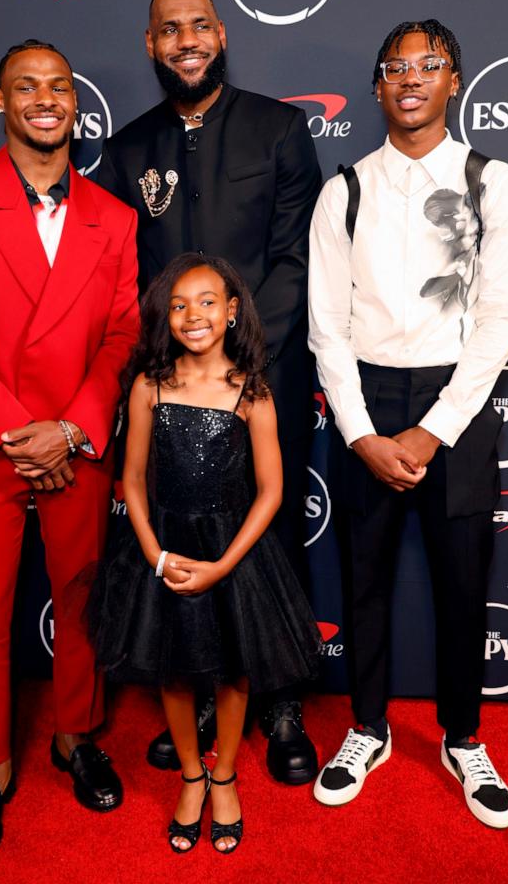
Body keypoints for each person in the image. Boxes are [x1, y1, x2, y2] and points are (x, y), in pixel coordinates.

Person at [0, 39, 139, 864]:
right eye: (26, 87)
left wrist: (72, 428)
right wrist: (20, 435)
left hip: (76, 443)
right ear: (1, 102)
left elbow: (122, 332)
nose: (45, 99)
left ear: (73, 105)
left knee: (81, 603)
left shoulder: (112, 217)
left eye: (58, 88)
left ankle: (76, 736)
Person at [97, 0, 322, 784]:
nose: (184, 40)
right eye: (167, 30)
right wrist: (174, 371)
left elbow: (299, 260)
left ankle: (282, 698)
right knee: (181, 532)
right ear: (149, 44)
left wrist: (241, 364)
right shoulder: (125, 153)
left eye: (197, 26)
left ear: (220, 34)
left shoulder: (279, 129)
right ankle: (195, 695)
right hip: (167, 391)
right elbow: (122, 281)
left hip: (261, 381)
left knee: (270, 532)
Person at [308, 20, 508, 829]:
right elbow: (326, 324)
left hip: (458, 408)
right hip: (365, 399)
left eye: (427, 65)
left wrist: (433, 430)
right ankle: (366, 728)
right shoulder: (346, 189)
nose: (409, 78)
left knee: (462, 585)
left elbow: (501, 317)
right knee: (361, 580)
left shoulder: (491, 181)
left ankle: (462, 737)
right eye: (394, 67)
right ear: (375, 87)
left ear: (453, 80)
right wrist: (363, 433)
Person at [88, 253, 321, 852]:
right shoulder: (149, 386)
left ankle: (224, 777)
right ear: (165, 317)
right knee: (173, 668)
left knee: (234, 670)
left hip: (231, 553)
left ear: (233, 310)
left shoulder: (253, 391)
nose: (193, 315)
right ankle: (191, 777)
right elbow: (132, 479)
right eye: (179, 305)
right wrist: (154, 554)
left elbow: (271, 491)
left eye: (208, 302)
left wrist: (224, 564)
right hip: (165, 547)